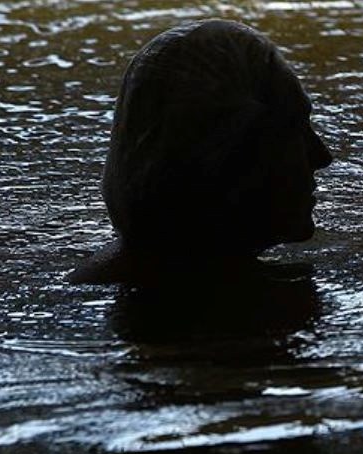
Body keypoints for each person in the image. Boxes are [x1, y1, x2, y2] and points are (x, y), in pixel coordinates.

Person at [68, 19, 332, 283]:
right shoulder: (269, 308)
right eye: (293, 129)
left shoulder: (111, 286)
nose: (322, 157)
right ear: (228, 156)